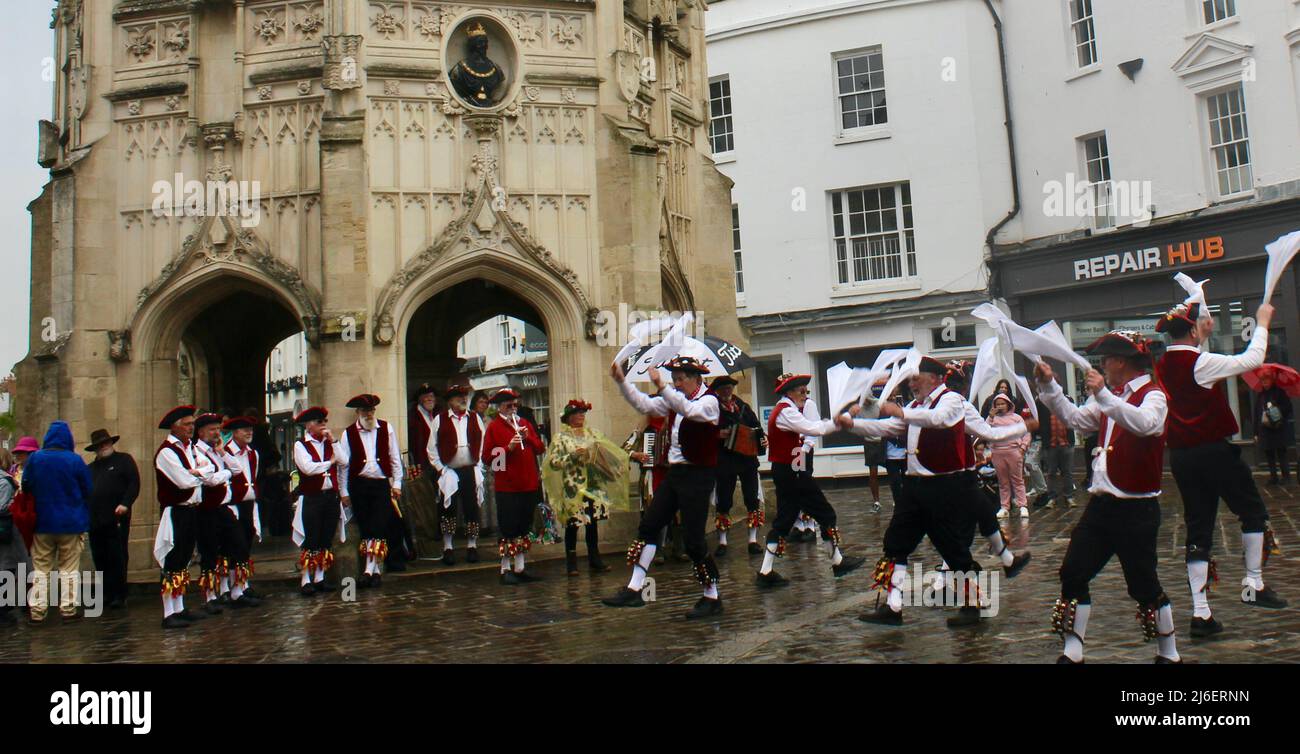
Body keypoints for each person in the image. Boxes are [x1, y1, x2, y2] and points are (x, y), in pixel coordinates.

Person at [1036, 330, 1181, 663]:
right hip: (1101, 506)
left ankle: (1169, 653)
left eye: (1105, 360)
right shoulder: (1109, 395)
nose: (1101, 366)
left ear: (1120, 362)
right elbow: (1074, 418)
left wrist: (1104, 395)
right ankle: (1073, 652)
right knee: (1073, 571)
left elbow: (1146, 425)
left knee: (1143, 585)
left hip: (1137, 508)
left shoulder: (1153, 395)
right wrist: (1049, 386)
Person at [848, 358, 1027, 628]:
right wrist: (851, 424)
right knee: (895, 543)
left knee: (953, 547)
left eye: (916, 377)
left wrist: (898, 412)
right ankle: (893, 607)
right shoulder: (913, 406)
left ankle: (974, 603)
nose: (911, 382)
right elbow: (888, 428)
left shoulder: (951, 401)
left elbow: (938, 420)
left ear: (934, 377)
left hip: (943, 487)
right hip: (913, 488)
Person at [1154, 300, 1287, 640]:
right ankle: (1253, 583)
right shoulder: (1201, 361)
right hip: (1213, 450)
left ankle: (1201, 614)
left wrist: (1203, 333)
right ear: (1193, 330)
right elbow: (1252, 360)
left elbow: (1199, 370)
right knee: (1253, 512)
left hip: (1181, 456)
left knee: (1199, 528)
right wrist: (1261, 322)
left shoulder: (1165, 363)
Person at [603, 356, 724, 619]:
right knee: (649, 525)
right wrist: (622, 381)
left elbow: (690, 411)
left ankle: (711, 595)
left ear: (696, 379)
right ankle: (635, 589)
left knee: (693, 540)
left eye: (681, 379)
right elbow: (643, 404)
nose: (676, 384)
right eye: (674, 379)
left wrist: (663, 387)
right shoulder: (674, 397)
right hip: (675, 473)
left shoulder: (710, 402)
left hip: (698, 475)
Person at [754, 373, 866, 588]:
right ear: (789, 392)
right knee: (825, 513)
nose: (805, 396)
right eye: (801, 392)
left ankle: (765, 571)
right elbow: (815, 429)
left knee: (784, 520)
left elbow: (809, 432)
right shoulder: (786, 412)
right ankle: (837, 562)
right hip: (793, 471)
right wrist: (842, 419)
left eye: (806, 392)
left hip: (790, 468)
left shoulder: (787, 410)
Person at [544, 399, 629, 576]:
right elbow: (553, 463)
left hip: (594, 485)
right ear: (569, 418)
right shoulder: (561, 438)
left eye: (583, 412)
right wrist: (572, 456)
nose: (581, 415)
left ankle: (595, 559)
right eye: (577, 413)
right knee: (573, 525)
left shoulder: (593, 434)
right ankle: (571, 563)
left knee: (593, 524)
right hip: (574, 488)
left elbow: (608, 452)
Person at [23, 421, 93, 624]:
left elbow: (26, 485)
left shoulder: (36, 458)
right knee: (69, 568)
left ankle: (38, 611)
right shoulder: (74, 460)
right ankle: (68, 609)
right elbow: (87, 489)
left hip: (42, 522)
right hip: (71, 522)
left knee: (41, 569)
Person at [337, 393, 403, 588]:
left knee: (379, 525)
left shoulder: (386, 428)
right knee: (366, 526)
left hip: (381, 484)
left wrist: (397, 483)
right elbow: (344, 466)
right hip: (359, 484)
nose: (369, 414)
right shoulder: (348, 433)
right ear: (358, 412)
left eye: (372, 410)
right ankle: (372, 571)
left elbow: (394, 457)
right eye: (365, 411)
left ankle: (368, 569)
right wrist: (343, 491)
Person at [483, 388, 547, 583]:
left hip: (527, 484)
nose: (513, 409)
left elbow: (540, 448)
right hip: (507, 486)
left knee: (523, 527)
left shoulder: (524, 423)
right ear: (500, 407)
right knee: (508, 528)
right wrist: (507, 448)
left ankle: (520, 567)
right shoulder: (494, 427)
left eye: (514, 405)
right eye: (508, 405)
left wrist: (529, 438)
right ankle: (505, 569)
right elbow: (490, 459)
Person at [153, 405, 205, 628]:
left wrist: (198, 473)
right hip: (175, 511)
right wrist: (201, 474)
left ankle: (180, 606)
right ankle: (168, 612)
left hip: (191, 509)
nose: (191, 428)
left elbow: (208, 470)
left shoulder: (189, 449)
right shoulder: (167, 451)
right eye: (187, 424)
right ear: (175, 427)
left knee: (183, 559)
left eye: (193, 424)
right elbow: (183, 481)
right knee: (173, 559)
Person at [292, 406, 348, 596]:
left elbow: (344, 460)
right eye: (319, 422)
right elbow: (308, 468)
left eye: (325, 422)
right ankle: (306, 579)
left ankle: (320, 577)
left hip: (330, 496)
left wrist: (334, 441)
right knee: (311, 538)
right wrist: (329, 463)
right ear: (309, 426)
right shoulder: (301, 445)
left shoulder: (329, 443)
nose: (323, 425)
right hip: (312, 498)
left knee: (325, 538)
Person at [427, 384, 486, 564]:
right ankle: (448, 547)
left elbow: (483, 443)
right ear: (450, 401)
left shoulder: (475, 418)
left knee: (472, 507)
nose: (463, 400)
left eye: (465, 397)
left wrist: (479, 465)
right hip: (449, 471)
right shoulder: (440, 419)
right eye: (458, 397)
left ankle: (472, 545)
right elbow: (431, 448)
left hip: (470, 469)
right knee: (448, 509)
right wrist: (442, 469)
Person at [710, 375, 766, 556]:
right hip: (725, 461)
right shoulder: (712, 409)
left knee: (752, 498)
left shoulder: (743, 407)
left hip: (747, 459)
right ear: (717, 391)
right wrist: (719, 435)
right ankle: (723, 542)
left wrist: (762, 440)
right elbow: (706, 433)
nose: (727, 391)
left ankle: (752, 540)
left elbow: (757, 428)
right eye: (723, 389)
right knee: (724, 500)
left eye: (729, 388)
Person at [85, 428, 139, 610]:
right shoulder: (90, 468)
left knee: (117, 555)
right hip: (95, 520)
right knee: (100, 557)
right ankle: (107, 593)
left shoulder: (124, 460)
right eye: (100, 445)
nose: (104, 446)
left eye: (106, 443)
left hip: (116, 517)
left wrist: (126, 503)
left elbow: (134, 483)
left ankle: (119, 593)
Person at [192, 413, 235, 614]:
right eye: (212, 429)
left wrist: (223, 455)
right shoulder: (196, 452)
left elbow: (236, 469)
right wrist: (225, 473)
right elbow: (209, 479)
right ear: (201, 432)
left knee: (228, 546)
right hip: (206, 509)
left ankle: (225, 588)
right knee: (209, 551)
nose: (216, 432)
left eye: (218, 428)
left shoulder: (218, 451)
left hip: (222, 506)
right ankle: (209, 595)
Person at [220, 416, 262, 607]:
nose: (249, 432)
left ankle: (243, 584)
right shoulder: (225, 452)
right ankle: (230, 589)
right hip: (233, 505)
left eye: (250, 429)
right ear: (235, 433)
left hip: (248, 504)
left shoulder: (253, 453)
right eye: (244, 429)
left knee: (245, 544)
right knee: (233, 547)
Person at [0, 449, 30, 627]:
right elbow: (2, 506)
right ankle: (4, 609)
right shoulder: (4, 481)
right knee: (6, 567)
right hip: (5, 530)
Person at [988, 394, 1030, 519]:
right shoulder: (992, 419)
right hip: (998, 452)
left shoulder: (1016, 418)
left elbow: (1026, 433)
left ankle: (1023, 505)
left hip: (1014, 451)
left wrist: (1023, 447)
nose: (1000, 406)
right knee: (1003, 481)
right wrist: (990, 417)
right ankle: (1004, 506)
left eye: (1003, 403)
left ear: (1008, 404)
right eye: (998, 404)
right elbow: (984, 430)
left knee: (1017, 480)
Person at [1035, 391, 1077, 508]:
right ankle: (1052, 497)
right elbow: (1038, 420)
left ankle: (1069, 497)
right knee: (1051, 472)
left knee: (1067, 471)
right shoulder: (1041, 402)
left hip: (1066, 442)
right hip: (1050, 444)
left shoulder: (1067, 400)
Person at [1253, 367, 1292, 485]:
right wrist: (1256, 432)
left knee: (1281, 452)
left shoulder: (1279, 393)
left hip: (1277, 428)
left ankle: (1286, 476)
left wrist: (1276, 410)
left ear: (1271, 380)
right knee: (1269, 454)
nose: (1264, 382)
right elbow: (1257, 413)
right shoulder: (1261, 395)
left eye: (1266, 380)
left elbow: (1287, 408)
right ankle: (1273, 476)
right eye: (1262, 380)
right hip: (1265, 429)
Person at [472, 390, 499, 537]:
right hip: (475, 460)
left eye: (485, 402)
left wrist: (499, 463)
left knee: (490, 491)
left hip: (490, 459)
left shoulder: (490, 421)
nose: (483, 405)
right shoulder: (470, 418)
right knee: (478, 491)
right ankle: (479, 525)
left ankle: (492, 524)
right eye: (480, 402)